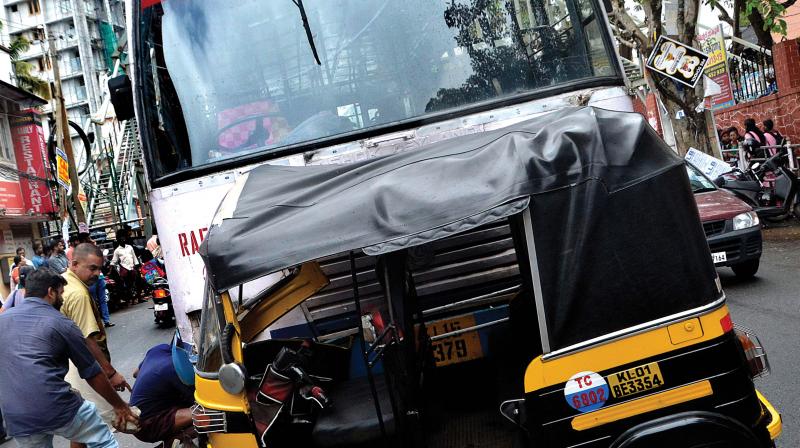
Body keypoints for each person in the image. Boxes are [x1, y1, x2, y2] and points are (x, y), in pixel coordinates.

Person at [0, 268, 138, 448]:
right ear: (50, 292)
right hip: (57, 406)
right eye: (60, 293)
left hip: (16, 416)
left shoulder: (3, 320)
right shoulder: (61, 322)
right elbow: (92, 373)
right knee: (102, 440)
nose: (62, 299)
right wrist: (120, 406)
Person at [61, 243, 132, 435]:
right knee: (118, 420)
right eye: (92, 268)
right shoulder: (78, 294)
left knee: (84, 427)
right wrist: (110, 373)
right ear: (74, 264)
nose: (97, 274)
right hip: (79, 366)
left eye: (100, 268)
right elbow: (87, 340)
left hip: (68, 365)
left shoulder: (65, 282)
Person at [130, 341, 195, 446]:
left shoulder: (159, 349)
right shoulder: (178, 370)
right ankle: (172, 442)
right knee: (207, 414)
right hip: (147, 426)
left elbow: (135, 373)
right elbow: (198, 401)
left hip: (137, 414)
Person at [111, 235, 141, 302]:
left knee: (137, 282)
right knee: (128, 285)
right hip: (125, 269)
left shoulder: (129, 247)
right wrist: (111, 266)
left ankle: (139, 297)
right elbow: (114, 260)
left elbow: (134, 256)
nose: (123, 240)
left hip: (132, 267)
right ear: (118, 241)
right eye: (121, 240)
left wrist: (136, 265)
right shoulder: (117, 251)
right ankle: (131, 299)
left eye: (124, 239)